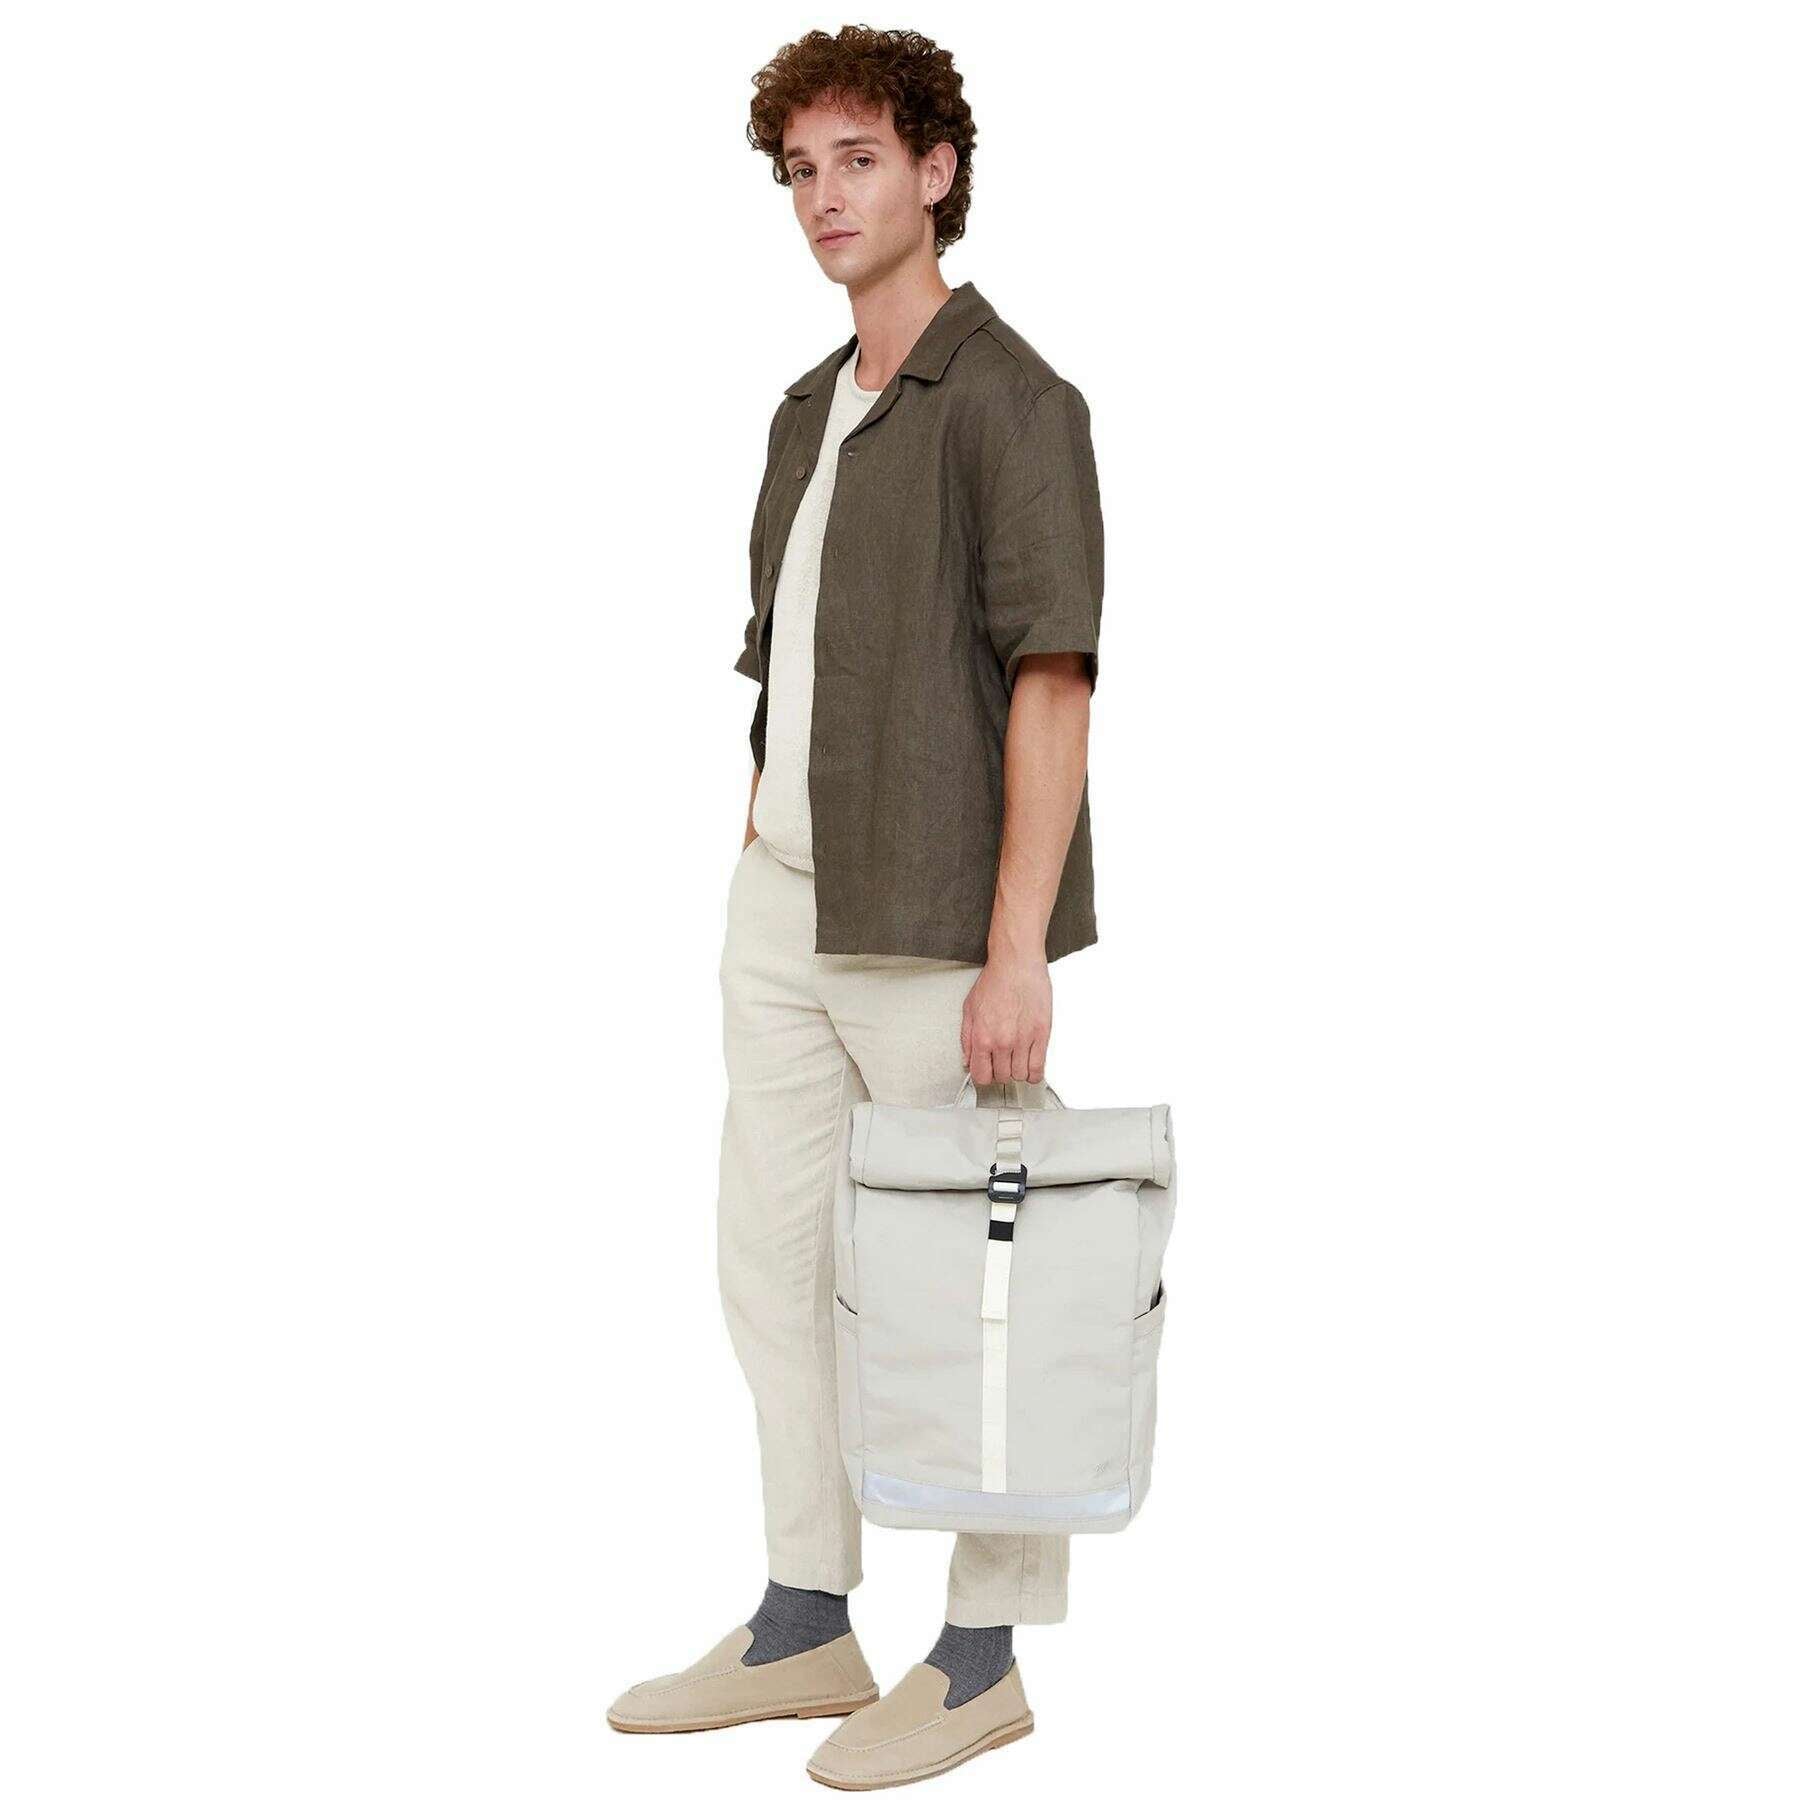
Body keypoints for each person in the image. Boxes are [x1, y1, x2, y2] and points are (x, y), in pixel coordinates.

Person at [607, 26, 1105, 1788]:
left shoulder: (1017, 402)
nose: (826, 197)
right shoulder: (808, 408)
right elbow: (782, 654)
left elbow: (1052, 679)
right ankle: (807, 1616)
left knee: (975, 1293)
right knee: (771, 1265)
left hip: (935, 929)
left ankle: (980, 1659)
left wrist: (1015, 949)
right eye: (802, 170)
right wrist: (756, 827)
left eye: (860, 161)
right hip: (785, 911)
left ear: (938, 172)